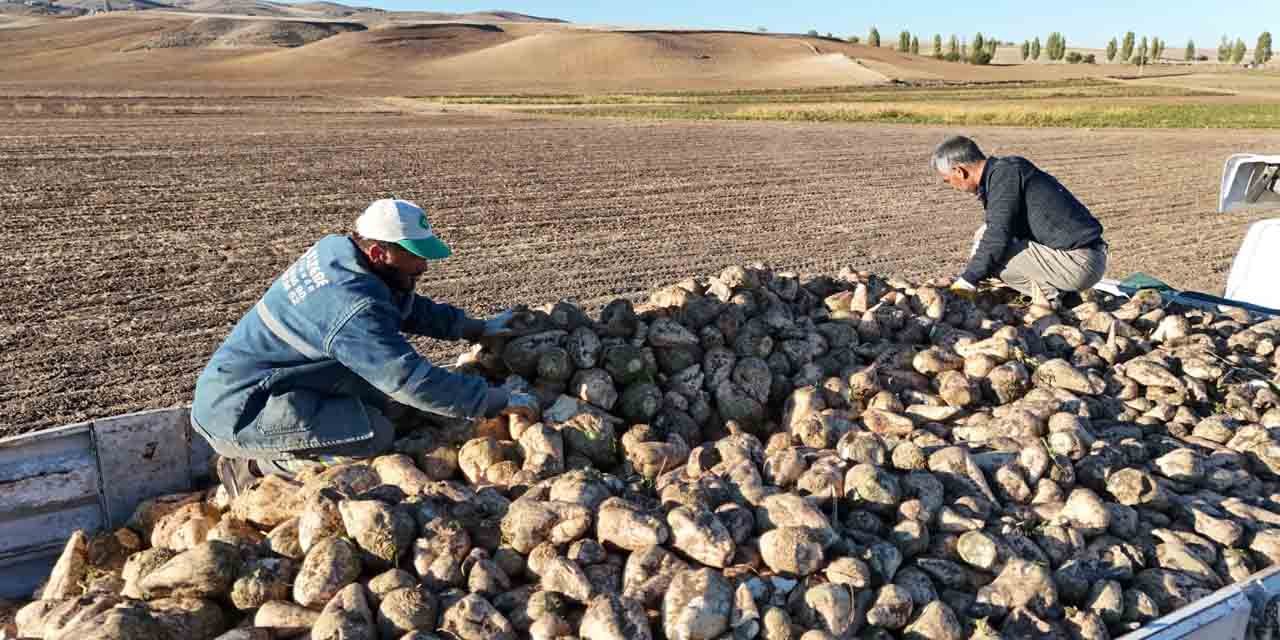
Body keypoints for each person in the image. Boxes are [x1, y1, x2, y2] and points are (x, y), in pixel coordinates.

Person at [191, 198, 530, 496]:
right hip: (242, 410)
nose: (424, 267)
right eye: (416, 257)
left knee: (380, 401)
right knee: (374, 434)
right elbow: (410, 380)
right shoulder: (350, 305)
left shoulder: (342, 254)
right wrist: (494, 400)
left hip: (270, 384)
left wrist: (476, 328)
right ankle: (250, 468)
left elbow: (399, 306)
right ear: (380, 253)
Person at [932, 135, 1108, 304]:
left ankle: (1052, 297)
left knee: (991, 254)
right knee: (984, 237)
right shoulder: (1004, 172)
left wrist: (967, 281)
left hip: (1078, 263)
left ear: (959, 171)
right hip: (1082, 258)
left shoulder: (1005, 174)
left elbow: (998, 236)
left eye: (948, 180)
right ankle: (1064, 295)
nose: (952, 187)